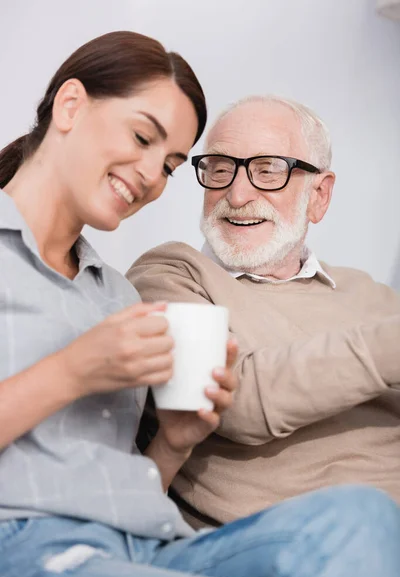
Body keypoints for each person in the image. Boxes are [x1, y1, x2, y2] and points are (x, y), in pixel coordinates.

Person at [0, 36, 399, 577]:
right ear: (70, 106)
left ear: (320, 196)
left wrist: (174, 444)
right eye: (141, 138)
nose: (149, 177)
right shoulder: (166, 277)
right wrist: (72, 370)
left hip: (146, 544)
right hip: (32, 547)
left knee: (361, 515)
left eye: (168, 164)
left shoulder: (110, 294)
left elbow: (123, 491)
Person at [127, 94, 400, 546]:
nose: (236, 193)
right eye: (219, 168)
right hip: (290, 544)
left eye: (268, 169)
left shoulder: (371, 296)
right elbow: (233, 402)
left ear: (320, 194)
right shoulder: (171, 274)